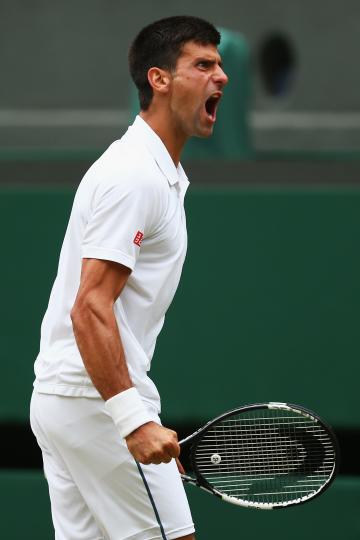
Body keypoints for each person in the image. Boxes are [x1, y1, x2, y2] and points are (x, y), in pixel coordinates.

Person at [30, 15, 228, 540]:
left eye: (221, 64)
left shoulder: (154, 172)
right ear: (159, 79)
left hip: (65, 398)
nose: (222, 76)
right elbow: (89, 306)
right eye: (203, 64)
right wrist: (132, 420)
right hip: (95, 402)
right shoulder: (134, 175)